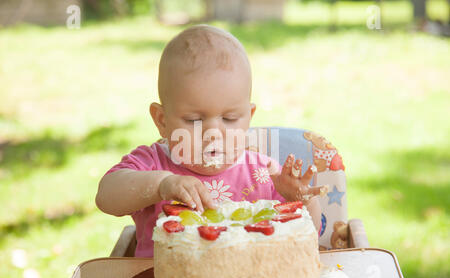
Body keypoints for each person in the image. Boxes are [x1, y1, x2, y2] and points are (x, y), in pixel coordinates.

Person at [95, 25, 327, 258]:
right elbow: (106, 197)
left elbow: (307, 233)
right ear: (162, 120)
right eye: (194, 120)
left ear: (249, 117)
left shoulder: (265, 174)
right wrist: (161, 184)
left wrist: (302, 202)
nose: (213, 133)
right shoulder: (154, 163)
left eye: (229, 118)